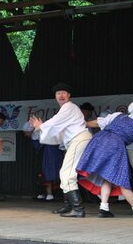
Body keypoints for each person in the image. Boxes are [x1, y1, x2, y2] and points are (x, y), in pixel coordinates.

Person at [76, 101, 133, 218]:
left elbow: (98, 122)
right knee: (121, 178)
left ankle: (104, 207)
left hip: (99, 141)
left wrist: (82, 124)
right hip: (115, 146)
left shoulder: (117, 115)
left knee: (108, 176)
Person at [29, 83, 92, 218]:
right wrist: (43, 128)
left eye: (64, 93)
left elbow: (55, 122)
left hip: (78, 139)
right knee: (65, 173)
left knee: (67, 174)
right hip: (77, 140)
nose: (61, 95)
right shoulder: (67, 109)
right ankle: (68, 206)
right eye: (58, 93)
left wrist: (41, 126)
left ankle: (78, 209)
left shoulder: (69, 107)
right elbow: (58, 131)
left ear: (69, 95)